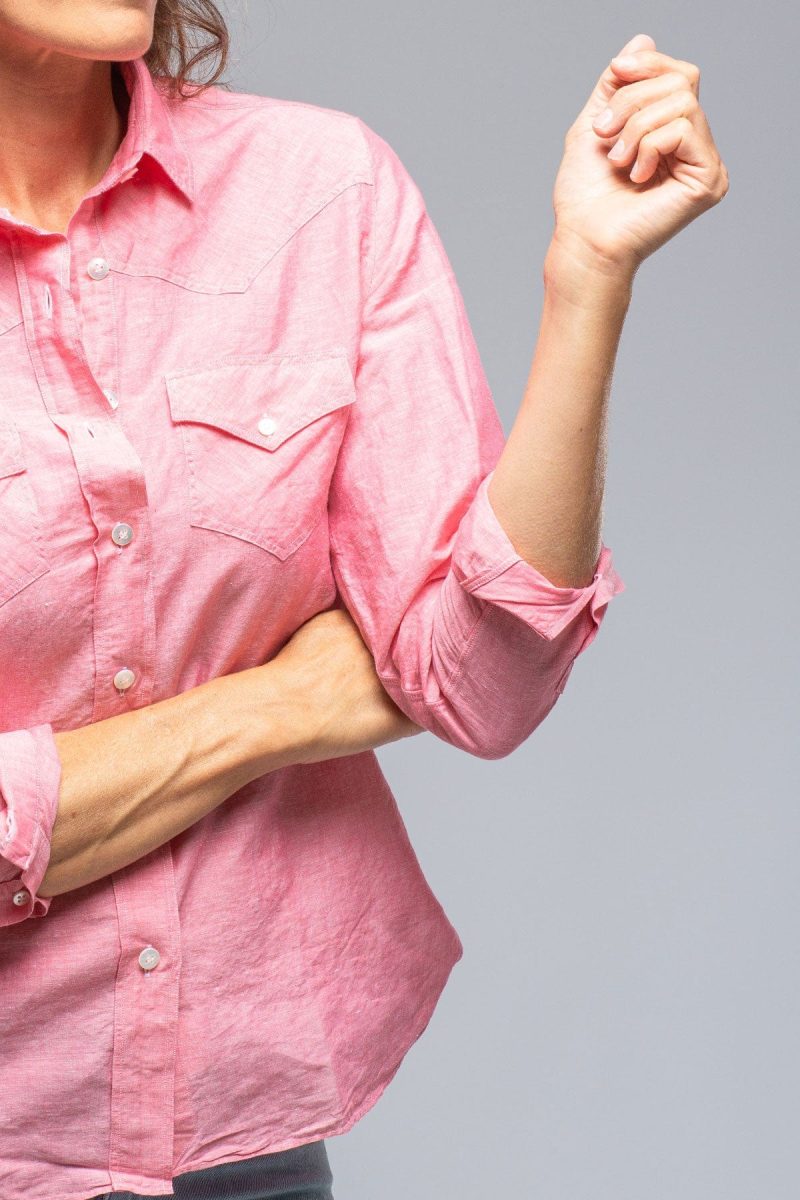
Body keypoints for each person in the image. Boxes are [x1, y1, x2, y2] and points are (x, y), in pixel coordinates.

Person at [0, 3, 728, 1199]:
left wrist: (587, 277)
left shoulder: (319, 189)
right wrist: (280, 707)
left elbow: (471, 682)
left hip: (246, 1145)